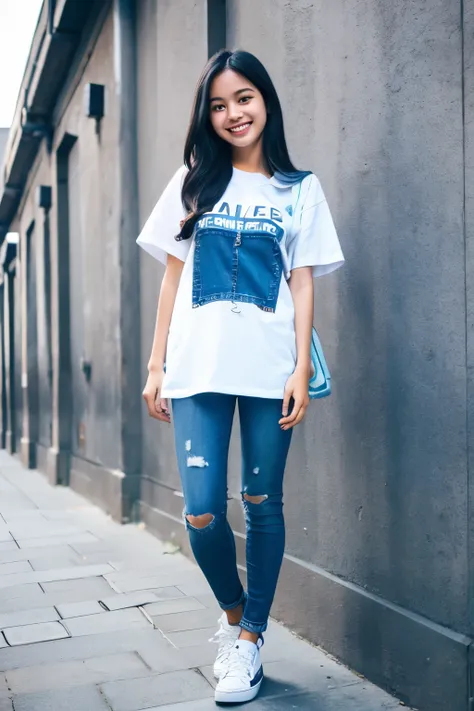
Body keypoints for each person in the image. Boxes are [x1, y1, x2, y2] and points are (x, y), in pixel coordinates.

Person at [137, 49, 344, 705]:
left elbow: (301, 281)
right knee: (201, 510)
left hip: (267, 370)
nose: (232, 113)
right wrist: (155, 363)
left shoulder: (300, 189)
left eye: (244, 97)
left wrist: (297, 368)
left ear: (267, 101)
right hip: (196, 368)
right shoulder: (192, 182)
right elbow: (172, 277)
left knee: (262, 503)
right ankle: (232, 616)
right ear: (208, 115)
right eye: (218, 104)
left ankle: (251, 640)